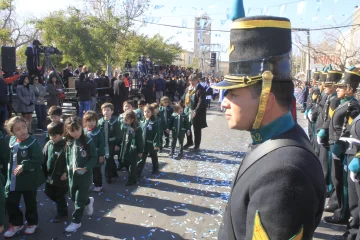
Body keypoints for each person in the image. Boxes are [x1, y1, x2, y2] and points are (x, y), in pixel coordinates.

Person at [211, 6, 325, 239]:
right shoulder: (275, 141)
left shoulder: (285, 173)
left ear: (267, 98)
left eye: (233, 94)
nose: (224, 103)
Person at [324, 67, 360, 225]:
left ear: (350, 89)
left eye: (341, 86)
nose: (337, 88)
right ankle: (341, 210)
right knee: (337, 179)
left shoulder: (353, 106)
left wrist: (342, 146)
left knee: (343, 184)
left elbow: (352, 132)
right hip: (338, 146)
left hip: (346, 150)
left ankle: (343, 213)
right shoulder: (342, 103)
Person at [4, 116, 45, 237]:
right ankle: (16, 223)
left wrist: (24, 165)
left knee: (30, 202)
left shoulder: (32, 142)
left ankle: (32, 223)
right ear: (12, 132)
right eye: (17, 129)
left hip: (28, 180)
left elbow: (39, 159)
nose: (22, 131)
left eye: (23, 127)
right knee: (11, 201)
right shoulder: (12, 141)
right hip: (13, 179)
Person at [314, 68, 342, 212]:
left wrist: (324, 130)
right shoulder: (330, 98)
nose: (324, 87)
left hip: (331, 137)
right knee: (324, 163)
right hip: (325, 135)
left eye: (327, 85)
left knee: (329, 167)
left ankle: (330, 192)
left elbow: (331, 119)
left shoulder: (335, 100)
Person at [63, 116, 96, 233]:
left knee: (78, 200)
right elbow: (67, 158)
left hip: (84, 177)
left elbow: (94, 158)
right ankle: (88, 201)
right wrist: (66, 172)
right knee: (72, 196)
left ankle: (76, 221)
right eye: (72, 131)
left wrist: (86, 168)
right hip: (72, 176)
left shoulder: (88, 141)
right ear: (68, 131)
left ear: (82, 127)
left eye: (77, 129)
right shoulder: (69, 141)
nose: (75, 133)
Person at [43, 121, 68, 223]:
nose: (52, 137)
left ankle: (62, 212)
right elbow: (43, 157)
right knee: (48, 192)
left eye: (54, 135)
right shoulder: (49, 144)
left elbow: (71, 160)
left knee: (59, 195)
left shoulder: (66, 145)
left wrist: (66, 172)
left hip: (61, 176)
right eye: (50, 135)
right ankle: (61, 204)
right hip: (50, 175)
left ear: (62, 134)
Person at [181, 73, 207, 152]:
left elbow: (201, 101)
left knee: (196, 129)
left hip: (196, 111)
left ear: (197, 80)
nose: (191, 82)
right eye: (190, 80)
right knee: (187, 127)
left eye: (193, 80)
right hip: (187, 110)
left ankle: (197, 145)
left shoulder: (200, 89)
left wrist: (196, 110)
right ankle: (189, 142)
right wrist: (178, 105)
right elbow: (183, 98)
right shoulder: (188, 88)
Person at [98, 103, 121, 184]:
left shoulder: (115, 121)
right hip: (103, 144)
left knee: (109, 159)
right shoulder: (100, 122)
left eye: (108, 110)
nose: (106, 112)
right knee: (109, 159)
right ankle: (113, 173)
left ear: (112, 111)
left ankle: (108, 176)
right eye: (104, 110)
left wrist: (117, 144)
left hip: (112, 144)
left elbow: (118, 134)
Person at [119, 110, 143, 186]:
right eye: (124, 119)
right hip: (126, 148)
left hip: (134, 149)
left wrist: (140, 151)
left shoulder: (137, 128)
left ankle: (131, 180)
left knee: (132, 166)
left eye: (126, 120)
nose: (125, 121)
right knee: (127, 163)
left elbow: (139, 141)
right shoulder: (126, 126)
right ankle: (134, 178)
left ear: (132, 120)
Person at [83, 111, 105, 192]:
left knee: (96, 171)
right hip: (86, 155)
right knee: (87, 171)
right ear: (85, 122)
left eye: (93, 121)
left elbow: (102, 144)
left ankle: (98, 185)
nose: (91, 123)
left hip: (96, 154)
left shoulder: (99, 131)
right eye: (89, 121)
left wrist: (101, 155)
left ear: (96, 121)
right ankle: (87, 185)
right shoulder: (83, 131)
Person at [137, 105, 159, 178]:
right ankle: (138, 172)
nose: (146, 113)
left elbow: (157, 134)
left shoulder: (154, 122)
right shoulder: (141, 121)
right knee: (142, 159)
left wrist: (155, 144)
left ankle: (155, 168)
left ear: (152, 113)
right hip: (143, 144)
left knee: (154, 157)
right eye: (145, 112)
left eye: (148, 112)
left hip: (151, 144)